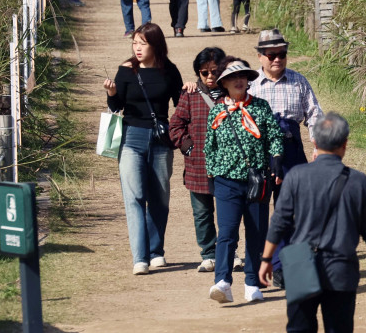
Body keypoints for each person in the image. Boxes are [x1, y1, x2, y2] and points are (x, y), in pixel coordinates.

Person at [259, 113, 366, 333]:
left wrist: (267, 259)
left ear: (315, 142)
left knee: (299, 328)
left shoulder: (296, 176)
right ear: (345, 144)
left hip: (299, 263)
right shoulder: (359, 182)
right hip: (341, 266)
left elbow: (280, 221)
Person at [103, 23, 184, 275]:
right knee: (135, 196)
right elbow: (116, 107)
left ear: (156, 45)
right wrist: (112, 94)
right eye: (135, 42)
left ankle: (156, 252)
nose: (137, 48)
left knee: (159, 198)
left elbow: (180, 106)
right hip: (131, 138)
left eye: (143, 43)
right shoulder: (125, 71)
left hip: (161, 140)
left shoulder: (169, 71)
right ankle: (140, 257)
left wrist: (191, 89)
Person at [248, 28, 325, 288]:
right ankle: (259, 265)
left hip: (291, 149)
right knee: (257, 208)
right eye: (270, 55)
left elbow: (314, 115)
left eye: (281, 54)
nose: (276, 59)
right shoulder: (249, 84)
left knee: (292, 210)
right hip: (259, 151)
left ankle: (287, 266)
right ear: (260, 56)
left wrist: (318, 144)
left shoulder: (299, 81)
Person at [204, 57, 284, 305]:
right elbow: (210, 146)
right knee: (227, 233)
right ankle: (222, 282)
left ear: (248, 82)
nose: (238, 81)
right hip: (226, 181)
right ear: (224, 84)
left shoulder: (261, 107)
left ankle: (251, 283)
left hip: (256, 181)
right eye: (232, 78)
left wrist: (277, 160)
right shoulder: (217, 111)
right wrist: (212, 174)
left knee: (256, 232)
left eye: (243, 77)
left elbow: (274, 137)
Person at [168, 47, 227, 272]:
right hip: (197, 166)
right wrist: (189, 148)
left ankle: (228, 252)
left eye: (215, 71)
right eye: (204, 73)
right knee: (202, 213)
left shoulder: (232, 93)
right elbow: (176, 125)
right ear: (198, 73)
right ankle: (209, 253)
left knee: (228, 212)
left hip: (228, 166)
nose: (210, 77)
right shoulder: (189, 95)